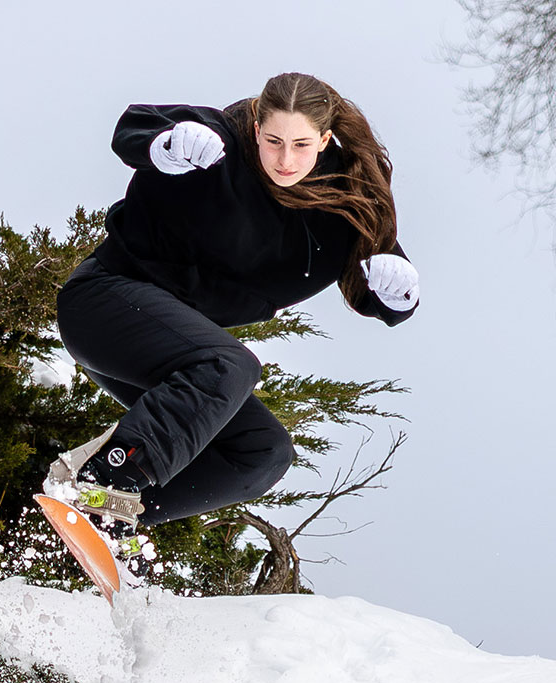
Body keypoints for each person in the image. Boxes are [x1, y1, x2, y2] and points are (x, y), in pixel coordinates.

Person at [48, 72, 418, 535]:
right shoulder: (217, 143)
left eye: (301, 145)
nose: (285, 160)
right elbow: (133, 128)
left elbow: (377, 288)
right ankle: (103, 481)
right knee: (231, 364)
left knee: (263, 452)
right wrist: (162, 144)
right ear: (257, 128)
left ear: (324, 140)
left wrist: (401, 293)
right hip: (104, 303)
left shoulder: (342, 207)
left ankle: (110, 520)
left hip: (169, 353)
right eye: (274, 140)